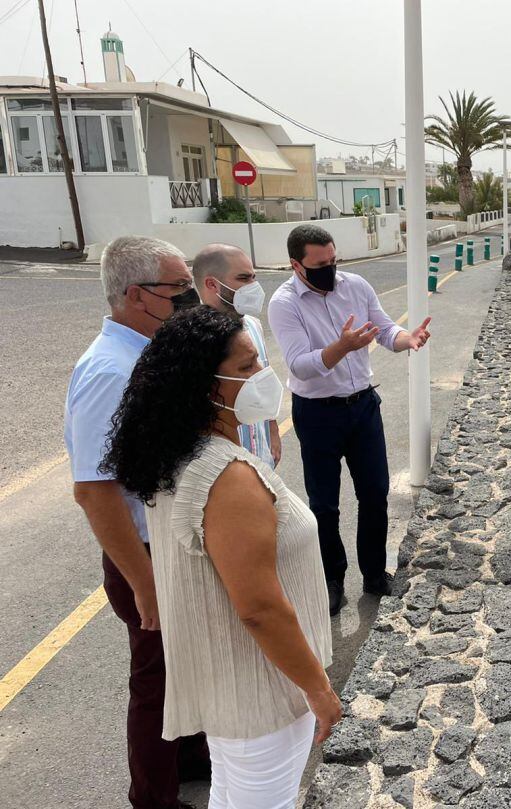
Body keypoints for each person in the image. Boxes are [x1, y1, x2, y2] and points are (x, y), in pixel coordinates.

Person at [100, 306, 341, 809]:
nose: (264, 375)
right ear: (209, 385)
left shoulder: (182, 453)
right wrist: (318, 690)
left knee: (231, 795)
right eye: (249, 365)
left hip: (232, 687)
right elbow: (259, 607)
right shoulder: (226, 477)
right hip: (262, 692)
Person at [64, 235, 207, 808]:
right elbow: (95, 492)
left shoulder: (147, 353)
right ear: (135, 296)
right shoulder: (109, 371)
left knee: (184, 666)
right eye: (178, 289)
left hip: (173, 545)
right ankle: (153, 797)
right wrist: (144, 584)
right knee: (155, 680)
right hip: (146, 557)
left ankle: (191, 759)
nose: (189, 297)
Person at [267, 224, 432, 616]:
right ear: (296, 264)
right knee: (324, 505)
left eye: (334, 259)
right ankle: (331, 579)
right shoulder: (284, 302)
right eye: (320, 264)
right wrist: (341, 346)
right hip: (318, 413)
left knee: (374, 494)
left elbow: (384, 327)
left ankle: (375, 575)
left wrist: (405, 339)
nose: (330, 268)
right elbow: (300, 367)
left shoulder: (355, 285)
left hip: (362, 407)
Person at [193, 244, 281, 467]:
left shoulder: (252, 326)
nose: (253, 286)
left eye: (253, 277)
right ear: (212, 284)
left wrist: (272, 431)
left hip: (260, 457)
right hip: (225, 466)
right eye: (243, 279)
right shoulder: (193, 340)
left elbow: (262, 385)